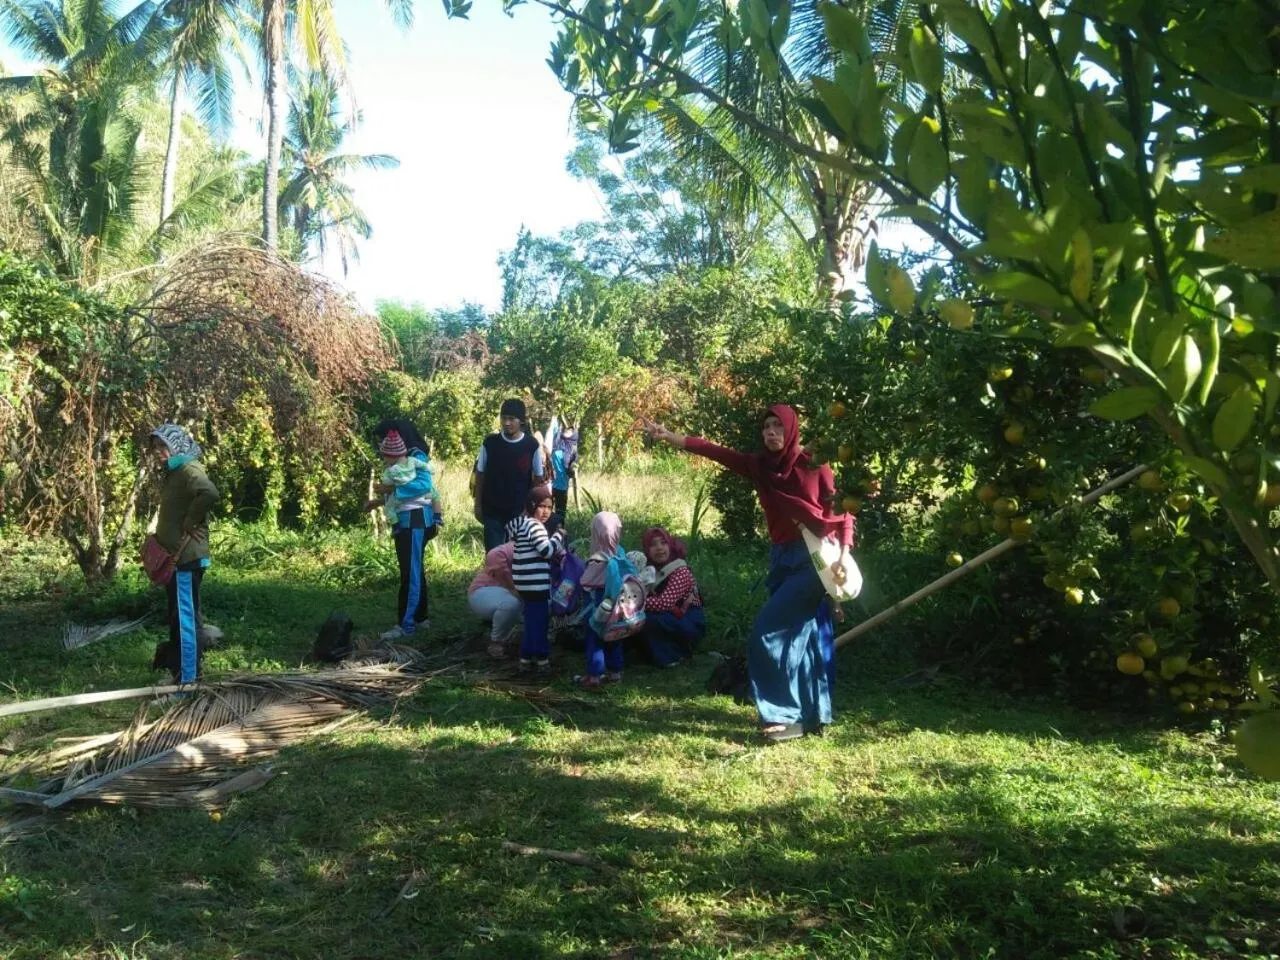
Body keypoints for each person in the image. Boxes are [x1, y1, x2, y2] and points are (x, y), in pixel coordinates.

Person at [643, 405, 853, 743]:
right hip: (781, 559)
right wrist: (671, 437)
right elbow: (715, 452)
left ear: (791, 430)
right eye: (766, 426)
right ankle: (812, 716)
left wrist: (843, 556)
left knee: (768, 634)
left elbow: (843, 512)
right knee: (802, 637)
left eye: (778, 427)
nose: (771, 432)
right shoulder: (760, 466)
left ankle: (783, 716)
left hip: (814, 562)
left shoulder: (815, 464)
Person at [148, 423, 220, 685]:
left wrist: (190, 520)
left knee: (186, 620)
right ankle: (180, 670)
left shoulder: (189, 469)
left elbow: (210, 492)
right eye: (155, 447)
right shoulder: (175, 472)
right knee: (179, 617)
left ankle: (188, 681)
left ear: (176, 446)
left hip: (186, 559)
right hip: (176, 559)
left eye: (162, 446)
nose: (157, 452)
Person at [365, 429, 435, 642]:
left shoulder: (415, 458)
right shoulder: (399, 463)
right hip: (406, 520)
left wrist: (389, 490)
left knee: (411, 573)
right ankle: (420, 617)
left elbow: (424, 486)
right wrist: (378, 502)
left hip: (414, 520)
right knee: (413, 569)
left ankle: (406, 624)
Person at [506, 485, 565, 675]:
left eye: (549, 507)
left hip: (524, 583)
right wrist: (558, 536)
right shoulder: (535, 525)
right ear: (532, 506)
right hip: (535, 584)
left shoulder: (522, 523)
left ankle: (525, 658)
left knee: (531, 620)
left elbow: (509, 529)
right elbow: (546, 551)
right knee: (540, 623)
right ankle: (541, 659)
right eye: (541, 506)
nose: (546, 511)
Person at [474, 399, 545, 551]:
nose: (506, 423)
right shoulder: (490, 443)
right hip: (492, 512)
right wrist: (477, 504)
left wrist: (529, 508)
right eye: (504, 418)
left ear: (521, 421)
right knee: (494, 557)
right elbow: (480, 474)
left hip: (519, 512)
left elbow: (538, 478)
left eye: (511, 419)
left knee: (516, 556)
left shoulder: (531, 445)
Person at [637, 526, 705, 667]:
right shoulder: (650, 570)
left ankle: (675, 654)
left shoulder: (680, 571)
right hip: (672, 617)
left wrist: (635, 603)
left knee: (649, 620)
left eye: (663, 542)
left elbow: (664, 603)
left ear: (670, 544)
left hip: (688, 620)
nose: (659, 548)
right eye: (653, 544)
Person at [577, 511, 626, 688]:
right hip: (618, 604)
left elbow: (585, 582)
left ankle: (594, 674)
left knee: (594, 635)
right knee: (614, 634)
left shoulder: (597, 558)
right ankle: (615, 671)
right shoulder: (620, 553)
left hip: (597, 603)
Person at [468, 542, 522, 659]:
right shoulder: (508, 550)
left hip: (508, 592)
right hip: (484, 590)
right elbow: (494, 554)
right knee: (510, 605)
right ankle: (496, 642)